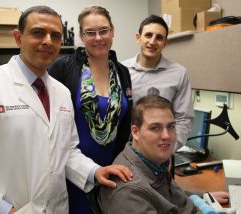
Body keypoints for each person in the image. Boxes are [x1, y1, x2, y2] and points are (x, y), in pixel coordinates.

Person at [0, 6, 133, 214]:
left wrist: (94, 171)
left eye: (55, 36)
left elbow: (67, 151)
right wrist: (1, 208)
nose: (47, 41)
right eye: (38, 33)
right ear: (18, 38)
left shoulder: (61, 92)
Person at [48, 5, 132, 214]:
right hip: (70, 171)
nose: (98, 38)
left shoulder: (122, 72)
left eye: (103, 31)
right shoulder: (63, 68)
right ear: (81, 36)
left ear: (112, 32)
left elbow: (126, 124)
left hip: (112, 171)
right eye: (90, 33)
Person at [98, 95, 229, 213]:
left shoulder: (153, 162)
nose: (167, 136)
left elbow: (170, 196)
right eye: (155, 128)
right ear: (135, 132)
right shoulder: (128, 193)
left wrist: (202, 197)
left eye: (171, 126)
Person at [122, 15, 194, 151]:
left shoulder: (179, 73)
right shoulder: (121, 70)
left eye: (159, 37)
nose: (153, 41)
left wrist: (169, 149)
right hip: (126, 151)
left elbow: (184, 118)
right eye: (148, 35)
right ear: (138, 38)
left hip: (162, 153)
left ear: (165, 43)